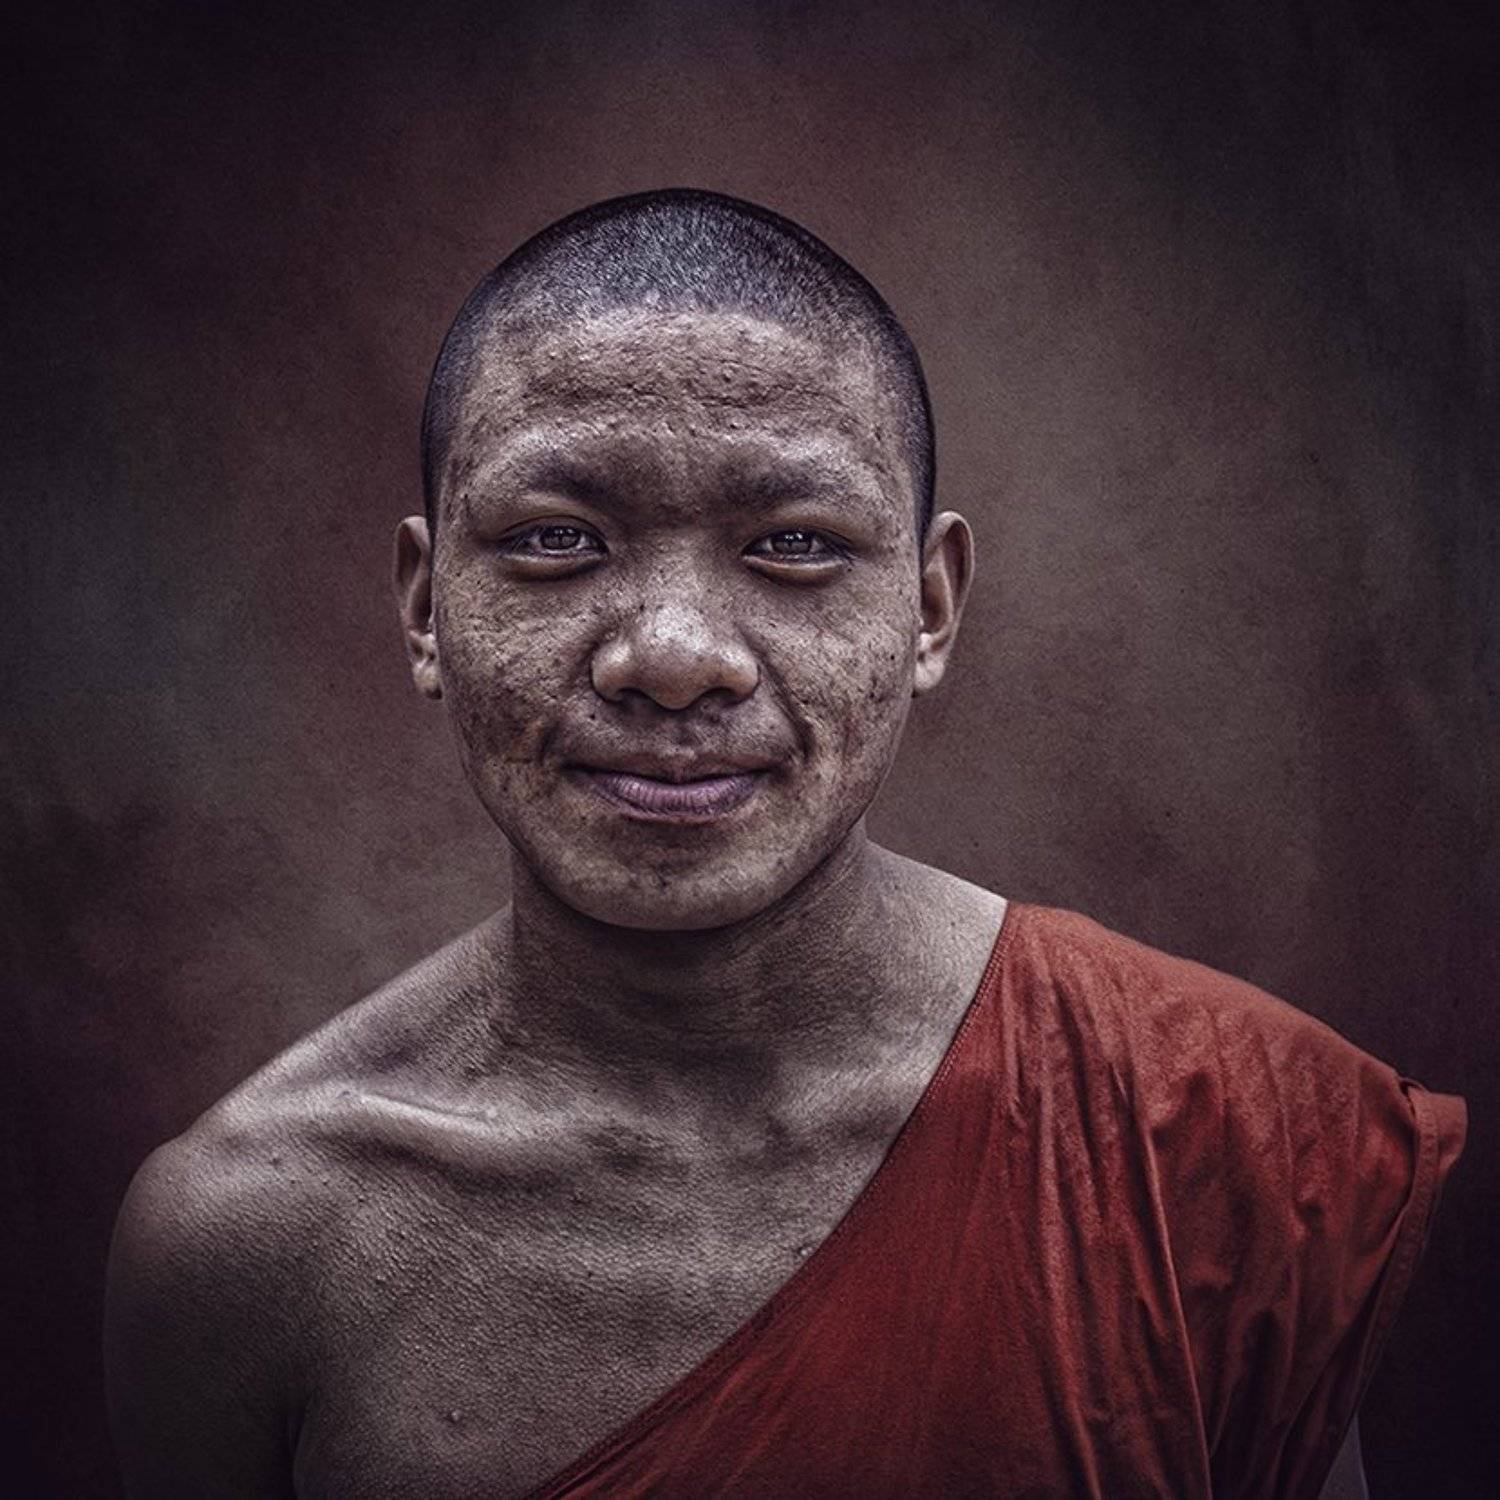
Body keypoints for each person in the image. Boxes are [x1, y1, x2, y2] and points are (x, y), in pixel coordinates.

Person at [104, 190, 1465, 1500]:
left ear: (928, 609)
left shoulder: (1203, 1140)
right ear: (425, 607)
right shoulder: (251, 1242)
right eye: (556, 540)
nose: (675, 659)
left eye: (795, 544)